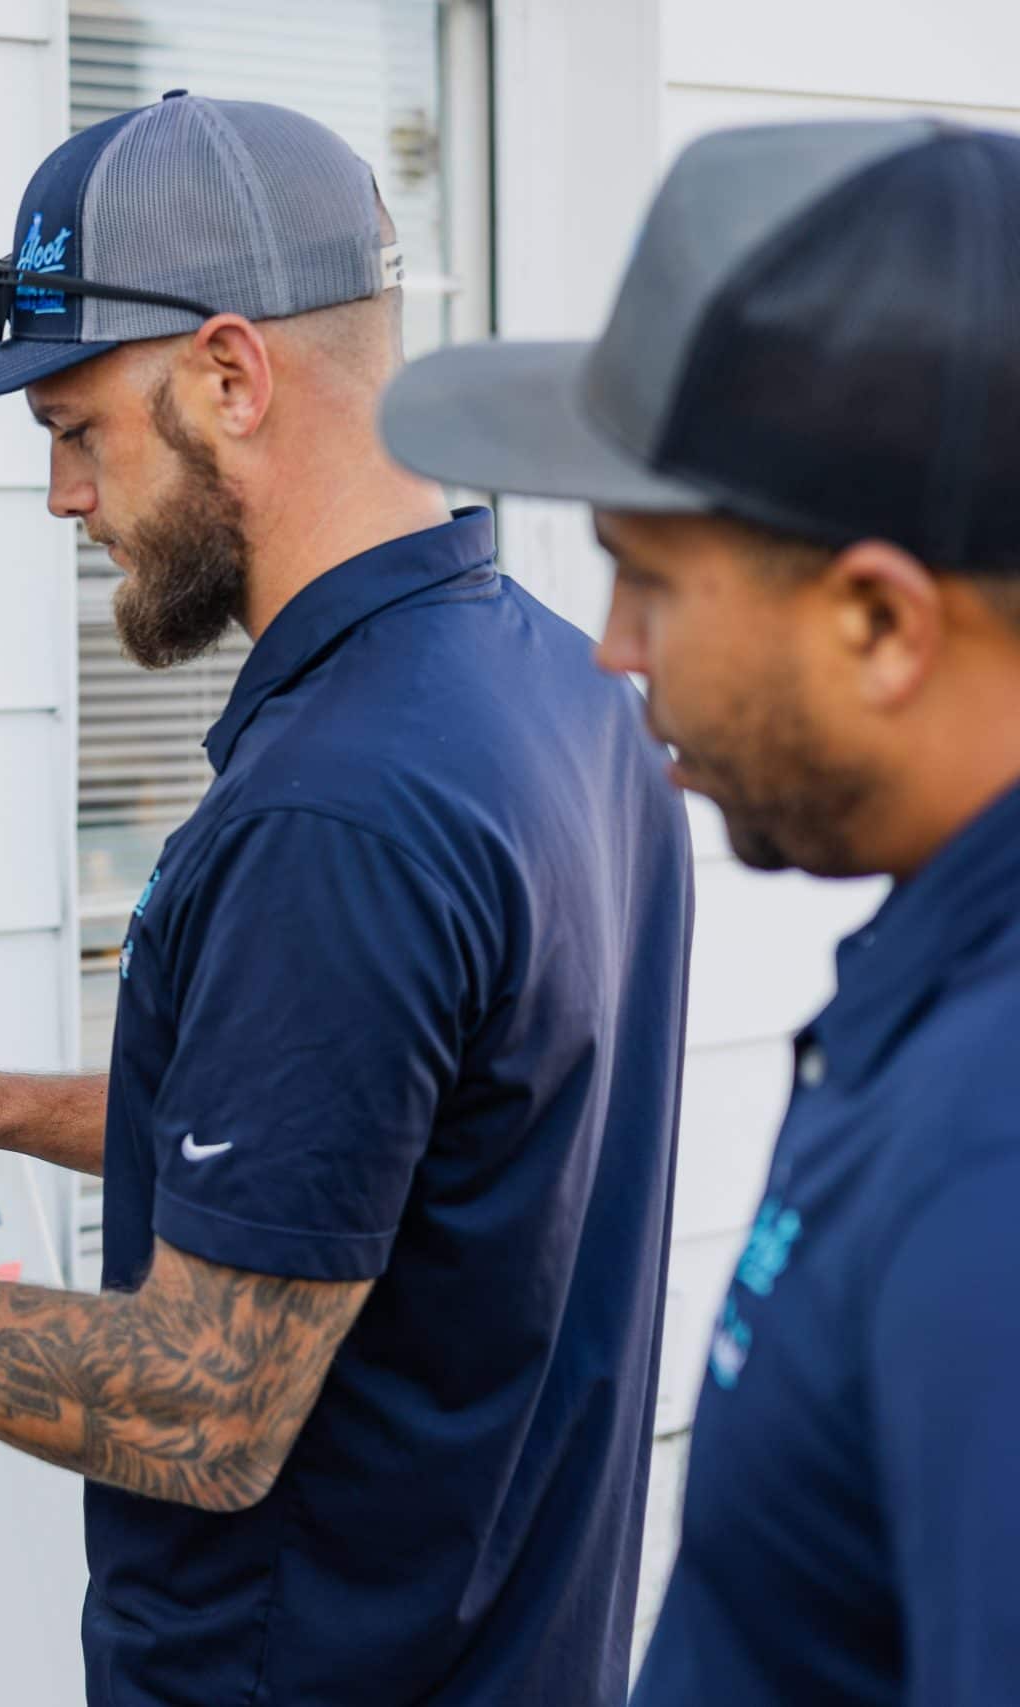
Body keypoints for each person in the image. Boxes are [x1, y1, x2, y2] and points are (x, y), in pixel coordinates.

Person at [0, 92, 694, 1706]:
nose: (65, 499)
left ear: (229, 375)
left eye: (76, 430)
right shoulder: (557, 693)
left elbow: (206, 1416)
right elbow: (401, 1149)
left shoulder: (342, 810)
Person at [381, 116, 1020, 1706]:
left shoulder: (991, 1157)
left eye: (644, 574)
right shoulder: (946, 988)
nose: (610, 648)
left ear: (879, 621)